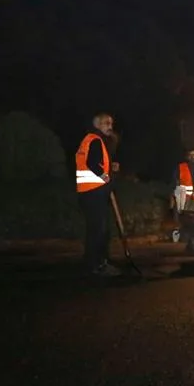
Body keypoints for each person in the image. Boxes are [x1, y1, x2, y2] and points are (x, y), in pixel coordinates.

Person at [75, 112, 121, 277]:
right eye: (106, 123)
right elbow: (93, 163)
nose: (110, 126)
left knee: (96, 229)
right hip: (94, 193)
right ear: (97, 125)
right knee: (99, 230)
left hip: (90, 193)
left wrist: (110, 168)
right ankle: (98, 264)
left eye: (111, 123)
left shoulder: (95, 140)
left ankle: (93, 261)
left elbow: (96, 162)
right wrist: (103, 175)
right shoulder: (95, 140)